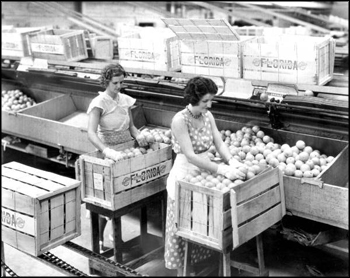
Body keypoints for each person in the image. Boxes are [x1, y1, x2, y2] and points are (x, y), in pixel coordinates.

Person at [164, 76, 246, 276]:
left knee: (203, 225)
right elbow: (191, 156)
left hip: (205, 174)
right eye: (205, 101)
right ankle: (184, 271)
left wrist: (231, 161)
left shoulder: (208, 116)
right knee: (184, 226)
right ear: (193, 99)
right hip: (185, 177)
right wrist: (221, 170)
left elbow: (218, 142)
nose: (209, 105)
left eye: (211, 100)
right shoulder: (179, 120)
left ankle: (199, 268)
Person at [87, 63, 147, 250]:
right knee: (108, 200)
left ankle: (116, 236)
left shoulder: (125, 100)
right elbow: (91, 132)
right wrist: (107, 151)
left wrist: (139, 135)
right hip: (109, 153)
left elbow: (131, 126)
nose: (119, 86)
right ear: (106, 81)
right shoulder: (99, 104)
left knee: (125, 196)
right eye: (115, 83)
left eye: (121, 82)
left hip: (127, 152)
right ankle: (99, 239)